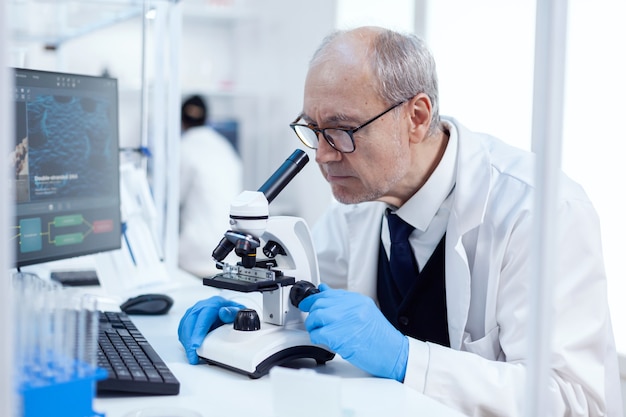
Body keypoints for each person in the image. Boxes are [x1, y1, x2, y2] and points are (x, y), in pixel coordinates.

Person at [177, 27, 622, 415]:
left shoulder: (539, 213)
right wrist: (250, 321)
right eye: (312, 129)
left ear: (417, 117)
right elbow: (308, 302)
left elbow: (571, 400)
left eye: (342, 130)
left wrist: (407, 358)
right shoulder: (356, 209)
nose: (323, 154)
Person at [178, 94, 243, 278]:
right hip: (230, 250)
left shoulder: (184, 147)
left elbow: (174, 198)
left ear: (181, 121)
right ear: (207, 119)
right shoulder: (225, 148)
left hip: (196, 254)